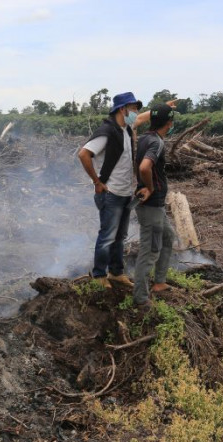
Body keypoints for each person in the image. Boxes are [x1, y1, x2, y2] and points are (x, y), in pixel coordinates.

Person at [77, 92, 145, 289]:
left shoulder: (126, 129)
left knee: (120, 237)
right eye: (132, 108)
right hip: (111, 193)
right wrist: (97, 181)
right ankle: (99, 275)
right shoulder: (107, 131)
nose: (135, 112)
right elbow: (83, 154)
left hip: (125, 194)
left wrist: (162, 107)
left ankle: (116, 273)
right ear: (122, 109)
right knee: (107, 236)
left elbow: (141, 118)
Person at [133, 103, 176, 308]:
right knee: (150, 251)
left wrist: (161, 107)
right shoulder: (156, 143)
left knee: (168, 237)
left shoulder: (144, 137)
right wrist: (149, 187)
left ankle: (159, 282)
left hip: (156, 205)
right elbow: (144, 167)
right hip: (151, 205)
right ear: (169, 123)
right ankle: (141, 298)